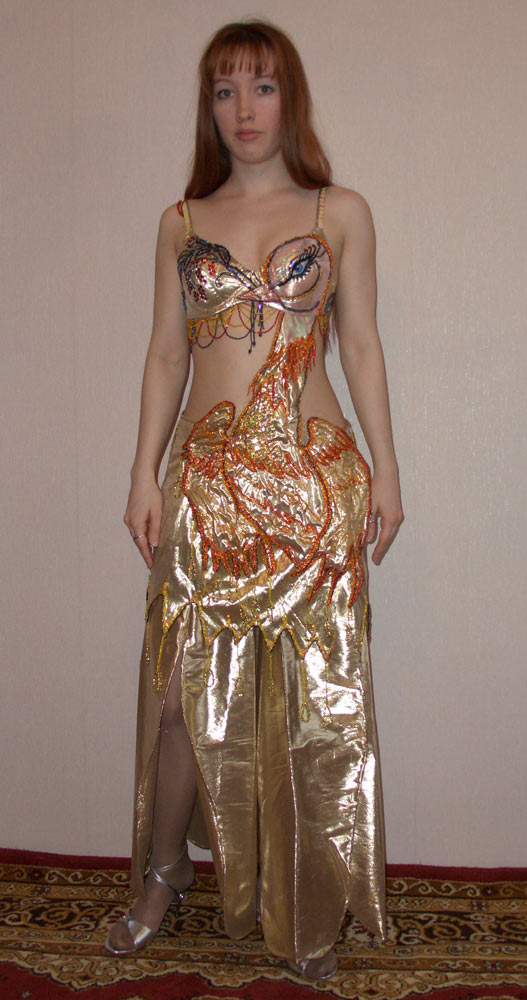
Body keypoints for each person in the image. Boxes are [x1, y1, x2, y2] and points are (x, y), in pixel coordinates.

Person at [104, 19, 403, 981]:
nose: (243, 108)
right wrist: (142, 472)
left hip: (315, 485)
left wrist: (387, 473)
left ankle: (306, 901)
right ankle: (164, 872)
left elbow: (361, 345)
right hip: (205, 488)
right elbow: (165, 354)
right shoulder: (181, 221)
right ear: (209, 106)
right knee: (176, 704)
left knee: (311, 707)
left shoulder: (340, 210)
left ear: (289, 98)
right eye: (225, 89)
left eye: (261, 86)